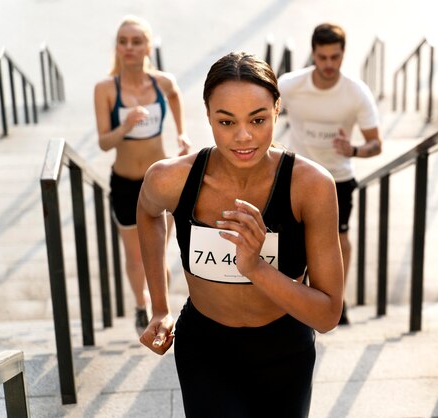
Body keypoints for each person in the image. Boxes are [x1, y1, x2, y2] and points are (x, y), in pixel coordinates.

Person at [137, 51, 343, 417]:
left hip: (285, 351)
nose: (243, 136)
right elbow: (147, 211)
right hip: (205, 348)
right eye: (226, 122)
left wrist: (257, 268)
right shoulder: (171, 178)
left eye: (258, 119)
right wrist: (158, 306)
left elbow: (327, 315)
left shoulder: (310, 186)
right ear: (208, 116)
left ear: (278, 109)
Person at [277, 23, 382, 325]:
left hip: (338, 177)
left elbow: (376, 144)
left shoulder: (355, 92)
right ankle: (294, 300)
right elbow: (260, 106)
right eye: (322, 57)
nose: (328, 65)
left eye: (334, 57)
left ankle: (337, 298)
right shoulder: (291, 84)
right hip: (297, 173)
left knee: (339, 238)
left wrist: (354, 150)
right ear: (313, 54)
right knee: (292, 237)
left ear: (343, 55)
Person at [94, 15, 190, 335]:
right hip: (123, 182)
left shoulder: (161, 83)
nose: (130, 47)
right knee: (135, 255)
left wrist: (182, 134)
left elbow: (175, 96)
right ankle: (141, 304)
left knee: (159, 252)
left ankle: (160, 309)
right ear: (117, 47)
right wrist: (126, 125)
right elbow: (104, 142)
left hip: (158, 180)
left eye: (137, 41)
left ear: (148, 46)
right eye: (123, 41)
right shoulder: (106, 88)